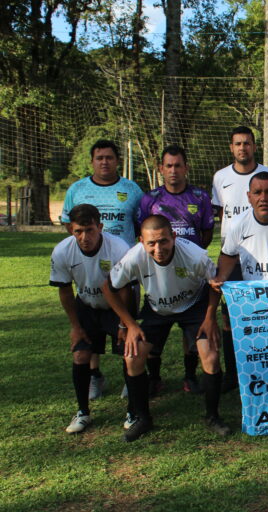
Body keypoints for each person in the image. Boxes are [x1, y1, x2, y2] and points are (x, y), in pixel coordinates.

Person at [102, 215, 230, 441]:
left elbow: (215, 284)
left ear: (174, 236)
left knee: (210, 356)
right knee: (133, 357)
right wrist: (130, 324)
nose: (158, 248)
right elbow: (108, 287)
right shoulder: (134, 257)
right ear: (141, 241)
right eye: (151, 243)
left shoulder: (194, 255)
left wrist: (210, 317)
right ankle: (142, 418)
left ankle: (212, 417)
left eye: (163, 241)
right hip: (157, 308)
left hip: (194, 306)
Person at [61, 139, 143, 400]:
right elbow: (68, 223)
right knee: (91, 321)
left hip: (124, 266)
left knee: (124, 322)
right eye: (99, 158)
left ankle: (129, 378)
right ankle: (95, 375)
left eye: (109, 157)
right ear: (92, 161)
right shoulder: (78, 188)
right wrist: (87, 246)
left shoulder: (132, 189)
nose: (104, 162)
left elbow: (140, 224)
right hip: (90, 264)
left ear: (117, 160)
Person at [137, 144, 215, 395]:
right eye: (168, 166)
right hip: (159, 277)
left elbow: (206, 234)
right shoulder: (150, 199)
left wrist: (187, 256)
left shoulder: (200, 197)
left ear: (186, 168)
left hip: (191, 276)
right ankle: (153, 377)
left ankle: (189, 376)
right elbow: (142, 233)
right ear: (161, 168)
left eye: (178, 165)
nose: (173, 170)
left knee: (190, 333)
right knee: (154, 332)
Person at [50, 204, 132, 433]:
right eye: (78, 231)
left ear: (100, 227)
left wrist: (124, 323)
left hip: (116, 307)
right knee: (80, 353)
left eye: (90, 230)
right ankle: (83, 412)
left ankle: (134, 410)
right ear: (69, 229)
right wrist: (75, 326)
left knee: (130, 352)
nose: (84, 237)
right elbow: (65, 290)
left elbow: (126, 289)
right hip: (86, 305)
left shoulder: (118, 247)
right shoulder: (62, 252)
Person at [211, 126, 268, 392]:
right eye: (238, 144)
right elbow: (220, 214)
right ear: (231, 147)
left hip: (264, 255)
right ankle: (233, 374)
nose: (243, 148)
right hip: (234, 254)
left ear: (254, 146)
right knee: (231, 318)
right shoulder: (220, 177)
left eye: (247, 143)